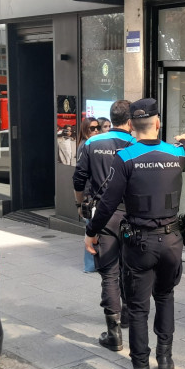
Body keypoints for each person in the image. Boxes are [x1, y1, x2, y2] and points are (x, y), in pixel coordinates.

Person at [84, 98, 185, 369]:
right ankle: (166, 358)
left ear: (132, 125)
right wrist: (183, 142)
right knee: (166, 295)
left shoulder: (125, 157)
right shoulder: (176, 154)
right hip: (172, 241)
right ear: (158, 123)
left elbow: (107, 203)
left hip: (141, 244)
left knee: (139, 309)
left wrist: (91, 232)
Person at [73, 101, 136, 352]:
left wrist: (79, 205)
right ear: (130, 121)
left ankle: (114, 334)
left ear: (111, 118)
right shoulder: (137, 144)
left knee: (109, 273)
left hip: (103, 216)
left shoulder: (91, 143)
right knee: (130, 268)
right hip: (132, 216)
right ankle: (130, 315)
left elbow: (79, 178)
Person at [77, 117, 100, 273]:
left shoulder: (93, 145)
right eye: (92, 128)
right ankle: (90, 265)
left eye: (98, 127)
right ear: (85, 130)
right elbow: (81, 175)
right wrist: (83, 199)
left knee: (93, 228)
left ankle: (93, 263)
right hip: (89, 195)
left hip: (92, 193)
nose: (96, 130)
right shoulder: (85, 145)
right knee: (90, 228)